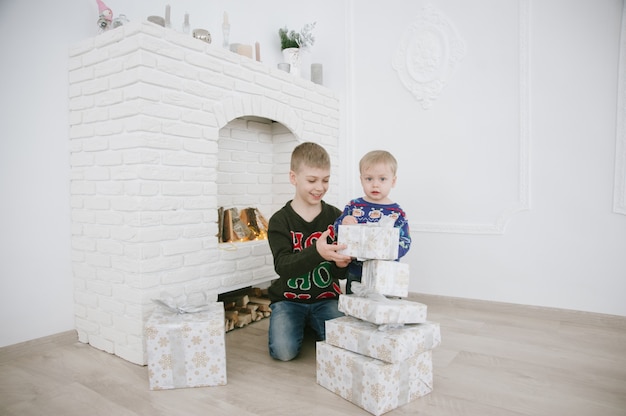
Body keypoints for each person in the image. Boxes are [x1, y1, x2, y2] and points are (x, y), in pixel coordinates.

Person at [266, 142, 352, 361]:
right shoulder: (280, 220)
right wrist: (317, 252)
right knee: (283, 352)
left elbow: (340, 274)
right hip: (288, 299)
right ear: (294, 178)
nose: (319, 187)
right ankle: (298, 323)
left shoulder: (336, 217)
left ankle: (311, 324)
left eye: (325, 180)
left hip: (326, 298)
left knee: (345, 345)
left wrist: (341, 265)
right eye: (312, 180)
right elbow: (282, 266)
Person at [334, 150, 411, 294]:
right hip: (357, 270)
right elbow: (336, 229)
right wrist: (344, 222)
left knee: (385, 309)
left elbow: (405, 241)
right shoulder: (354, 206)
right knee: (355, 307)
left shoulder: (397, 213)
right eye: (369, 179)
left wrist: (387, 253)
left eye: (382, 179)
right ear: (361, 179)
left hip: (385, 273)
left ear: (393, 181)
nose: (375, 185)